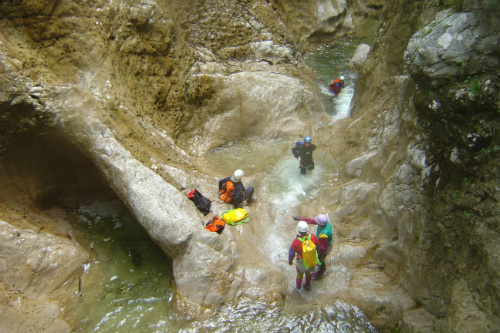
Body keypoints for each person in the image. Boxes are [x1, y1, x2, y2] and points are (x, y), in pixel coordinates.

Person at [293, 214, 333, 279]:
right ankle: (321, 266)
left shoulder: (324, 234)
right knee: (320, 258)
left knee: (321, 258)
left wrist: (316, 253)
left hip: (325, 245)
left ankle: (321, 270)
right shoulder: (325, 223)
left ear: (320, 224)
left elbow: (322, 248)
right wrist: (300, 218)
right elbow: (311, 221)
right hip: (323, 242)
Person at [288, 221, 320, 291]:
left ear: (298, 230)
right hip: (311, 261)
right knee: (308, 274)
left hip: (301, 262)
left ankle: (298, 287)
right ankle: (308, 285)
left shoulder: (296, 241)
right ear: (307, 230)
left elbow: (291, 253)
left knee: (299, 275)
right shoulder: (313, 237)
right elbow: (317, 246)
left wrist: (290, 261)